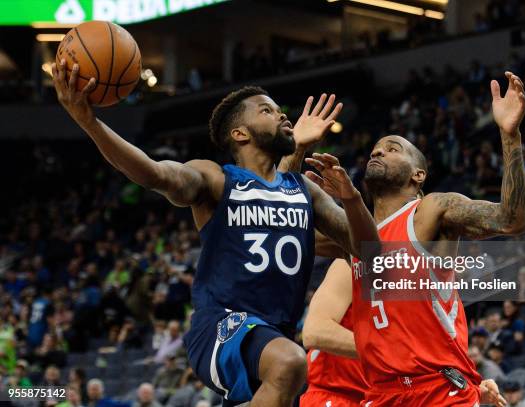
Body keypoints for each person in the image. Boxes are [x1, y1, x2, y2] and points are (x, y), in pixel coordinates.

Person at [51, 60, 379, 407]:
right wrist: (91, 123)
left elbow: (371, 251)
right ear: (240, 133)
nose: (283, 116)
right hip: (222, 325)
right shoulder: (216, 180)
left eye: (280, 110)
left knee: (287, 366)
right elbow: (154, 173)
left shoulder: (304, 190)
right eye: (267, 111)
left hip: (272, 336)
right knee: (291, 362)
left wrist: (351, 197)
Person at [285, 71, 525, 406]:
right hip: (381, 394)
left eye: (392, 148)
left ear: (418, 174)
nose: (379, 152)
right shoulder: (354, 237)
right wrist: (295, 149)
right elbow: (284, 223)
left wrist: (510, 135)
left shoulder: (431, 211)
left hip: (438, 390)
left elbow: (511, 220)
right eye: (375, 149)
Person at [300, 259, 368, 406]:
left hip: (388, 396)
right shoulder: (351, 262)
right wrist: (383, 352)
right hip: (336, 394)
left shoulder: (420, 274)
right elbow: (315, 331)